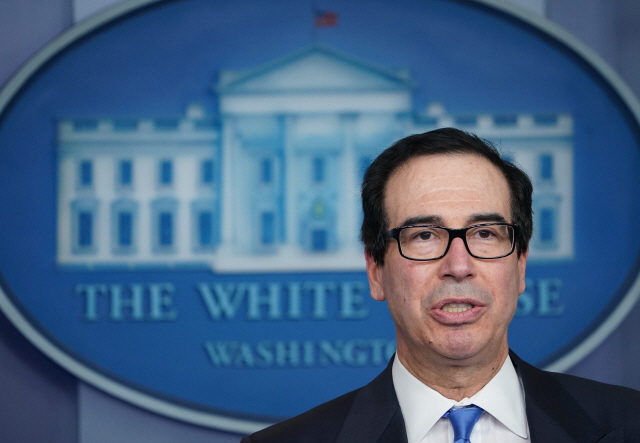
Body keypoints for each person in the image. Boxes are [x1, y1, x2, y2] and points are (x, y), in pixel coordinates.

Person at [241, 128, 640, 443]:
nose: (459, 266)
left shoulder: (629, 424)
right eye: (424, 236)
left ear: (520, 265)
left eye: (485, 233)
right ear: (375, 270)